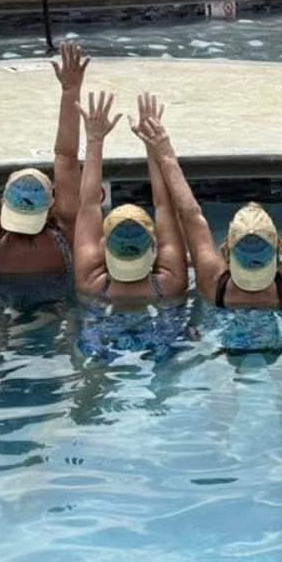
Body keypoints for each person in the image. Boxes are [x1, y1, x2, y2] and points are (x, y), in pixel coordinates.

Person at [131, 98, 282, 353]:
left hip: (220, 349)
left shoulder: (212, 283)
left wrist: (163, 151)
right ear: (278, 248)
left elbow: (190, 214)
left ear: (227, 249)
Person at [0, 44, 87, 279]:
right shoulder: (69, 234)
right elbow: (66, 157)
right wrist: (71, 90)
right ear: (52, 204)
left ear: (2, 204)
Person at [74, 92, 190, 361]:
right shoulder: (170, 282)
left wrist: (94, 140)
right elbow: (164, 205)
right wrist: (154, 146)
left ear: (103, 247)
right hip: (162, 336)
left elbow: (89, 205)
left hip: (101, 338)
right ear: (155, 247)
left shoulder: (91, 282)